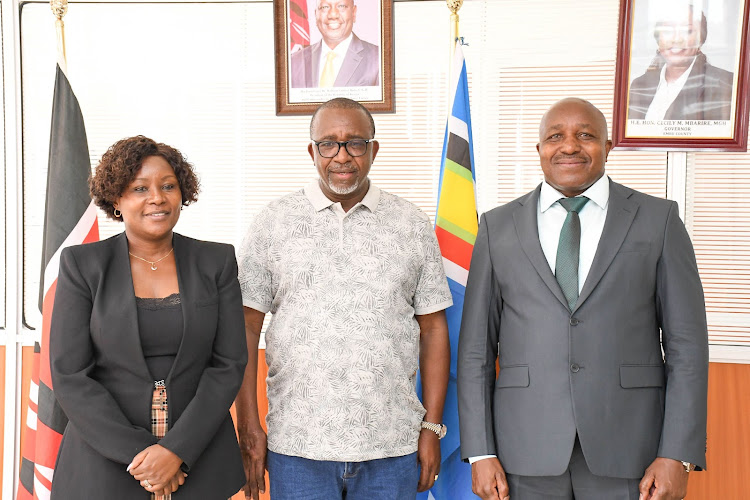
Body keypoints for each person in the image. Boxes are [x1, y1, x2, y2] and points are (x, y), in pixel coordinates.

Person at [457, 98, 709, 500]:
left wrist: (677, 454)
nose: (570, 146)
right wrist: (480, 451)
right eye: (555, 136)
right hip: (522, 452)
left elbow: (687, 348)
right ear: (539, 149)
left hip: (631, 450)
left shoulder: (658, 220)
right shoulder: (496, 227)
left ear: (608, 146)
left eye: (586, 135)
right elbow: (476, 352)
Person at [235, 97, 452, 500]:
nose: (341, 156)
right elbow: (246, 325)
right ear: (312, 150)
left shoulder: (411, 224)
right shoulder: (274, 221)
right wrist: (248, 425)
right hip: (298, 446)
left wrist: (432, 428)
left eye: (355, 143)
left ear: (373, 149)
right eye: (328, 144)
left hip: (393, 446)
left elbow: (433, 327)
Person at [49, 136, 248, 499]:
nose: (157, 197)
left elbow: (228, 364)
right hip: (104, 464)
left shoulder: (216, 262)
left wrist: (176, 451)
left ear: (182, 193)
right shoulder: (83, 266)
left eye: (168, 186)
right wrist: (142, 456)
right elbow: (70, 375)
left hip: (201, 460)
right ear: (116, 200)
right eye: (140, 188)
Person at [628, 1, 733, 121]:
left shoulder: (725, 84)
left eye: (687, 31)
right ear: (658, 39)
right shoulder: (639, 85)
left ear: (701, 40)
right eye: (667, 30)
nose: (676, 39)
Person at [290, 0, 379, 88]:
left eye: (341, 6)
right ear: (316, 14)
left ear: (353, 12)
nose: (333, 15)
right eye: (325, 7)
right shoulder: (294, 62)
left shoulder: (379, 59)